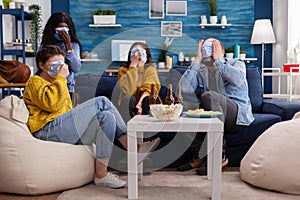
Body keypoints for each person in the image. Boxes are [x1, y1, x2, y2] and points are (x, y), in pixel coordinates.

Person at [22, 45, 160, 189]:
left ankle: (101, 175)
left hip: (64, 131)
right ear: (41, 65)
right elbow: (52, 105)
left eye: (62, 65)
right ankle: (134, 148)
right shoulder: (35, 82)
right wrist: (61, 79)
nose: (59, 69)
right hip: (47, 131)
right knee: (102, 101)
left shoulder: (59, 83)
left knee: (107, 117)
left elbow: (65, 111)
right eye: (55, 65)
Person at [177, 38, 254, 174]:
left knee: (208, 96)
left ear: (221, 51)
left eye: (214, 49)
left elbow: (237, 80)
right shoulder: (201, 70)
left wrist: (218, 61)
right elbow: (184, 89)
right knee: (183, 105)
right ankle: (199, 157)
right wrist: (197, 61)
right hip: (212, 113)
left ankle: (219, 157)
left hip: (236, 116)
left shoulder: (236, 63)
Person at [116, 42, 161, 122]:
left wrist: (139, 104)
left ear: (147, 57)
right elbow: (128, 91)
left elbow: (149, 90)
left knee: (148, 99)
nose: (138, 56)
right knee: (128, 98)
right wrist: (133, 66)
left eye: (142, 53)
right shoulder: (122, 71)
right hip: (128, 106)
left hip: (145, 103)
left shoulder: (150, 70)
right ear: (130, 57)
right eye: (135, 54)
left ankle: (149, 132)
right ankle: (128, 131)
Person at [40, 12, 82, 99]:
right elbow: (40, 66)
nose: (62, 33)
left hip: (68, 88)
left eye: (65, 30)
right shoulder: (44, 45)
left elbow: (76, 68)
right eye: (59, 30)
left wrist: (68, 47)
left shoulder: (74, 45)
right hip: (48, 86)